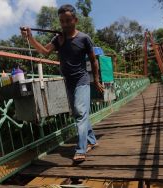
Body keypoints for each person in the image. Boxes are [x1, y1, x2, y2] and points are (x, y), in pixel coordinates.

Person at [20, 4, 103, 162]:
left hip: (82, 80)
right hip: (69, 82)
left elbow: (93, 61)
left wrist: (96, 80)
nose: (64, 24)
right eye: (62, 21)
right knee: (78, 113)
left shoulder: (84, 38)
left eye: (67, 20)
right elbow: (45, 52)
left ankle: (81, 149)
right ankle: (92, 140)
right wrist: (30, 37)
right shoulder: (58, 39)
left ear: (75, 20)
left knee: (80, 111)